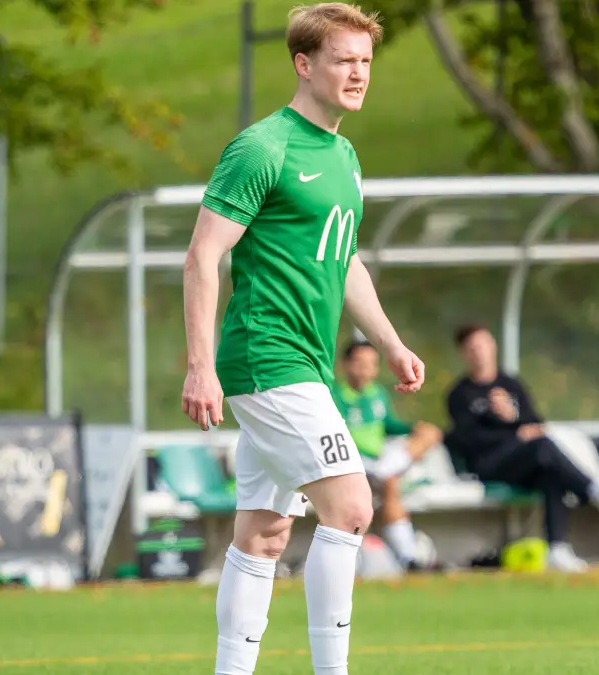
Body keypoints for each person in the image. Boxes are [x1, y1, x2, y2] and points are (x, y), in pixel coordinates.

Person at [179, 6, 423, 674]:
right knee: (350, 508)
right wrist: (201, 365)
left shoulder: (344, 155)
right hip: (267, 356)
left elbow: (343, 261)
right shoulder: (263, 147)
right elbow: (203, 256)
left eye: (366, 61)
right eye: (344, 59)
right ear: (304, 64)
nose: (358, 73)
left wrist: (392, 343)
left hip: (305, 363)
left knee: (263, 534)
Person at [443, 323, 599, 573]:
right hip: (490, 464)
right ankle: (592, 488)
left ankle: (557, 550)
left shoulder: (511, 385)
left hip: (525, 460)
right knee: (543, 448)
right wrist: (515, 433)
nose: (479, 352)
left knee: (550, 474)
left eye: (483, 344)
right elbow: (468, 439)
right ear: (463, 354)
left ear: (493, 346)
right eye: (472, 348)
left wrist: (512, 415)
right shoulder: (460, 394)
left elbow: (535, 423)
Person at [332, 340, 444, 570]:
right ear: (345, 365)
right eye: (360, 363)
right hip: (352, 462)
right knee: (391, 484)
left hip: (379, 460)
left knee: (430, 432)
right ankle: (409, 558)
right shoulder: (334, 394)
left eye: (371, 364)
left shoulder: (378, 394)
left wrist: (413, 428)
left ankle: (387, 470)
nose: (366, 369)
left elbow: (389, 425)